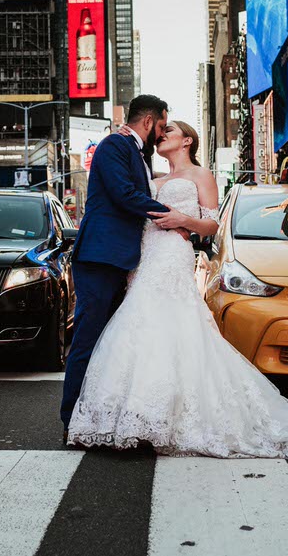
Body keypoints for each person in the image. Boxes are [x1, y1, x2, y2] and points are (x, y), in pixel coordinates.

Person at [66, 119, 288, 460]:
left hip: (172, 255)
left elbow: (212, 224)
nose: (162, 136)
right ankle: (139, 418)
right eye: (160, 131)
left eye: (170, 132)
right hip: (145, 255)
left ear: (187, 142)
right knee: (142, 329)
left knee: (171, 322)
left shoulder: (201, 175)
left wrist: (184, 222)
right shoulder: (152, 178)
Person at [59, 95, 181, 437]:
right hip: (99, 258)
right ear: (148, 121)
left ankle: (99, 419)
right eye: (160, 126)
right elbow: (124, 195)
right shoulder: (114, 145)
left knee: (111, 346)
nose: (160, 134)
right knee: (87, 339)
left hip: (121, 261)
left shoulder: (138, 155)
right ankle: (70, 422)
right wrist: (171, 217)